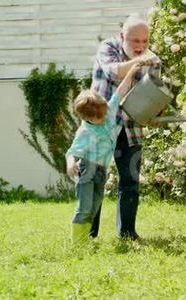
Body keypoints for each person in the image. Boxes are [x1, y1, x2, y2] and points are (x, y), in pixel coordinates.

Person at [90, 15, 160, 240]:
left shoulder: (150, 59)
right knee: (93, 180)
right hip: (100, 127)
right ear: (122, 37)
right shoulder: (107, 48)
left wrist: (152, 115)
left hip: (131, 127)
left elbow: (153, 94)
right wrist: (141, 62)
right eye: (134, 41)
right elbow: (115, 72)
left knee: (130, 182)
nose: (140, 47)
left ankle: (128, 234)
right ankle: (87, 235)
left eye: (144, 41)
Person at [66, 62, 143, 246]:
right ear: (86, 118)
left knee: (94, 206)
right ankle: (78, 244)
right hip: (87, 170)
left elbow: (121, 91)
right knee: (84, 207)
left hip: (101, 170)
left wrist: (132, 71)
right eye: (98, 118)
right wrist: (71, 164)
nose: (103, 119)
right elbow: (72, 151)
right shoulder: (85, 132)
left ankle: (87, 240)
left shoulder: (106, 112)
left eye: (103, 113)